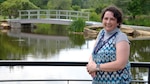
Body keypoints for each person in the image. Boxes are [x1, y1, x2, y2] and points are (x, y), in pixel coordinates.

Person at [86, 6, 132, 84]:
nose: (108, 22)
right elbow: (94, 52)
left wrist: (96, 67)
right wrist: (91, 65)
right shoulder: (101, 33)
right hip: (99, 81)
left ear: (118, 22)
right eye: (106, 18)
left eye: (112, 19)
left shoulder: (121, 37)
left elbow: (120, 64)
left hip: (117, 81)